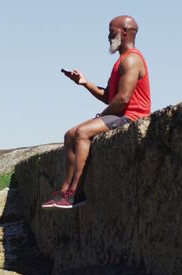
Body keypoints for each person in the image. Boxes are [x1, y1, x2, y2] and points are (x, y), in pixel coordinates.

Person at [43, 15, 151, 209]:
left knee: (82, 133)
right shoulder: (121, 62)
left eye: (112, 31)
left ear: (125, 32)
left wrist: (101, 116)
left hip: (132, 117)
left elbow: (123, 99)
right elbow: (110, 96)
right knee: (69, 135)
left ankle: (77, 192)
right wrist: (85, 83)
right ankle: (64, 191)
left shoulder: (132, 59)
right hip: (118, 114)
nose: (108, 36)